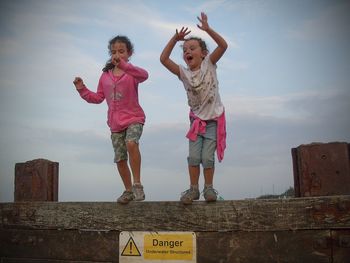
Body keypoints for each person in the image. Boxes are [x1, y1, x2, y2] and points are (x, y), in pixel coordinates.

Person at [160, 12, 228, 204]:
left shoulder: (210, 63)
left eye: (192, 48)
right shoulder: (183, 73)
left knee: (207, 157)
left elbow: (223, 46)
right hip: (196, 121)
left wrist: (208, 29)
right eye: (185, 49)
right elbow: (164, 59)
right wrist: (175, 39)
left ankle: (208, 188)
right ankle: (193, 189)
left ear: (203, 53)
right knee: (193, 157)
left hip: (213, 120)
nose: (187, 51)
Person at [73, 35, 148, 204]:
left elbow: (145, 75)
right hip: (115, 124)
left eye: (121, 51)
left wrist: (123, 65)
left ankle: (137, 185)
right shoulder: (105, 76)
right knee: (120, 158)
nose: (117, 54)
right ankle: (128, 191)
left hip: (134, 118)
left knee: (131, 143)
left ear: (129, 53)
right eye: (114, 51)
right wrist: (82, 89)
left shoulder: (132, 72)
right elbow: (98, 97)